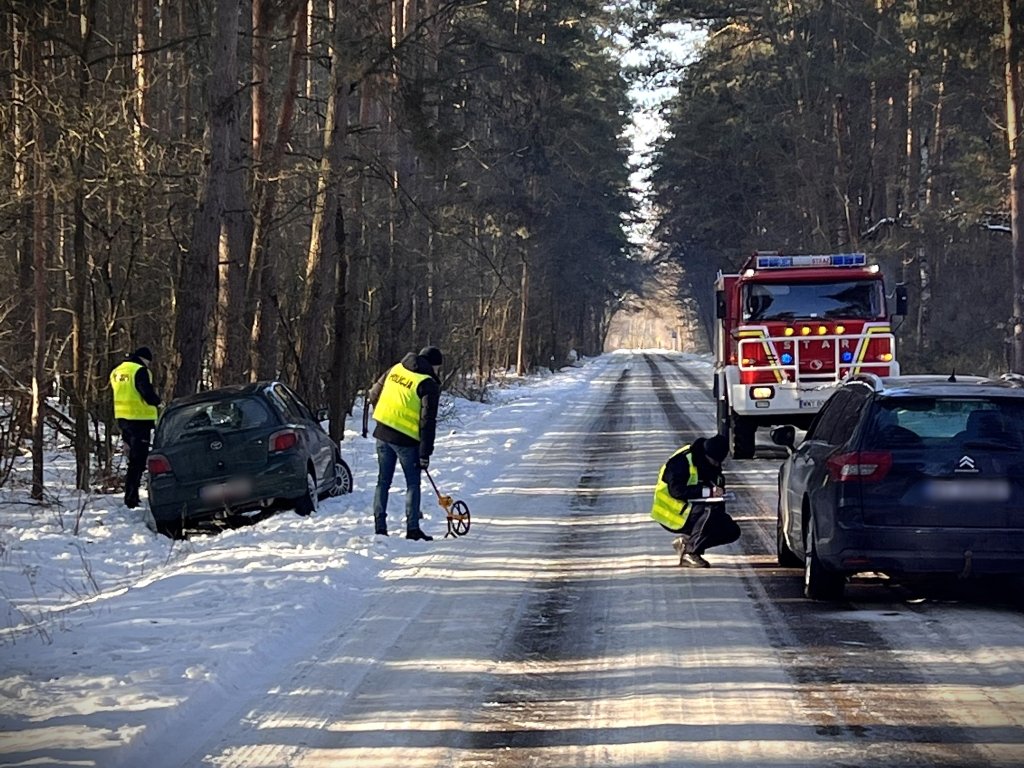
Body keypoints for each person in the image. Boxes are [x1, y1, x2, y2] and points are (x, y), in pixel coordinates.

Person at [366, 346, 443, 540]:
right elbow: (427, 422)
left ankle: (380, 527)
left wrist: (384, 415)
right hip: (406, 441)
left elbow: (373, 394)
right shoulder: (428, 384)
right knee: (412, 483)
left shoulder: (396, 369)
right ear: (433, 366)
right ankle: (412, 529)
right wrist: (425, 453)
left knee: (383, 481)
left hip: (383, 433)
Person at [650, 434, 740, 567]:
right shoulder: (681, 461)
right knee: (710, 510)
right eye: (714, 462)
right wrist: (708, 492)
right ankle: (690, 552)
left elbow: (715, 484)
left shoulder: (708, 463)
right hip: (672, 512)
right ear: (706, 455)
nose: (716, 465)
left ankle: (688, 544)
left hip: (692, 509)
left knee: (731, 530)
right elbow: (676, 491)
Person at [109, 346, 161, 509]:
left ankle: (131, 495)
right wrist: (158, 402)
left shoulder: (117, 371)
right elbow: (146, 392)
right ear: (144, 359)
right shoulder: (140, 370)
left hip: (123, 419)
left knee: (132, 459)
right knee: (138, 461)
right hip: (140, 420)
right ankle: (131, 498)